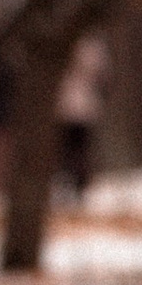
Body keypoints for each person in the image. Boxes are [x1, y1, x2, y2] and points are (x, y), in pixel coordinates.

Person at [53, 29, 110, 198]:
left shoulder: (87, 43)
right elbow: (102, 73)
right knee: (73, 149)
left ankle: (76, 184)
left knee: (74, 148)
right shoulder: (91, 44)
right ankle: (72, 183)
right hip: (73, 106)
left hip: (74, 107)